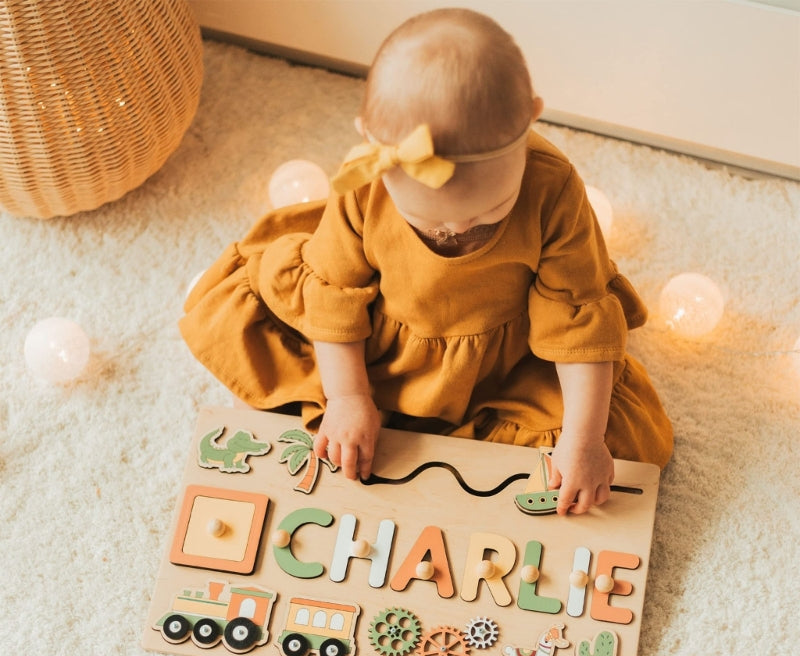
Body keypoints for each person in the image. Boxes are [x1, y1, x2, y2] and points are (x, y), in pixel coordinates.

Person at [180, 8, 673, 515]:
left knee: (616, 444)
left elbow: (575, 322)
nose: (456, 231)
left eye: (486, 214)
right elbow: (333, 300)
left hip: (502, 362)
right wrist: (349, 398)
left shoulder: (554, 191)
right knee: (261, 348)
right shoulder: (365, 185)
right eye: (426, 221)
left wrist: (583, 439)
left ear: (531, 117)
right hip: (379, 344)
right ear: (370, 143)